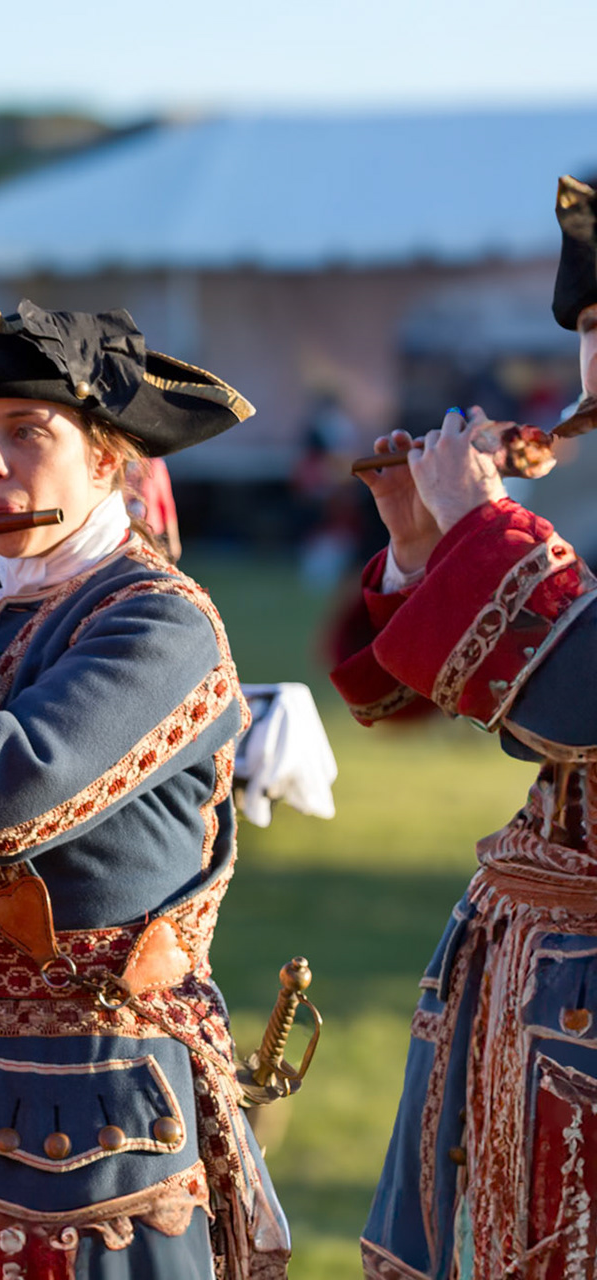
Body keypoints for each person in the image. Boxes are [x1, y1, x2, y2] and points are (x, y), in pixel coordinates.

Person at [0, 301, 290, 1278]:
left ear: (110, 456)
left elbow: (3, 790)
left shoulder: (160, 624)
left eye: (25, 434)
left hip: (77, 1106)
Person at [337, 175, 597, 1280]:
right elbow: (402, 701)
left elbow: (576, 698)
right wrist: (420, 547)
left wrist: (482, 530)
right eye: (592, 328)